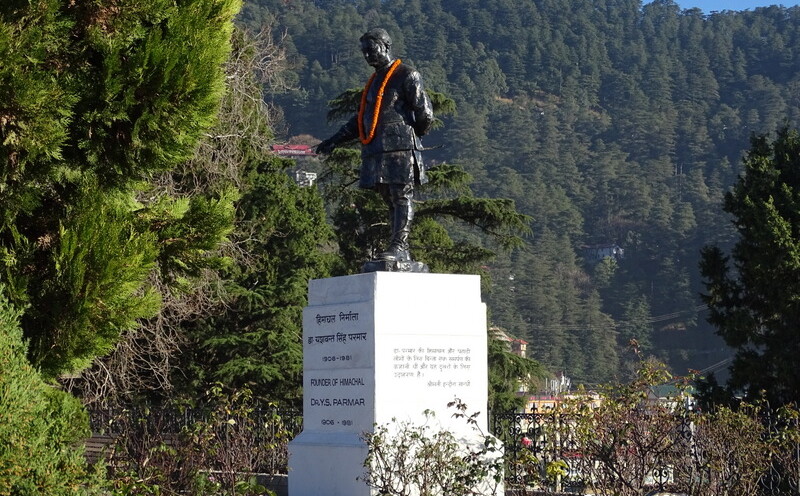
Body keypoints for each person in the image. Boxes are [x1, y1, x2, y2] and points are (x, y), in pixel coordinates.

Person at [316, 28, 434, 264]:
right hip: (376, 150)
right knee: (389, 198)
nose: (367, 56)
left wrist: (410, 136)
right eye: (364, 52)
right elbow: (360, 119)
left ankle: (400, 246)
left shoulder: (407, 74)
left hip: (400, 148)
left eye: (371, 50)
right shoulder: (374, 82)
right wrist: (334, 140)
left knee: (401, 196)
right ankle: (396, 244)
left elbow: (425, 113)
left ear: (386, 47)